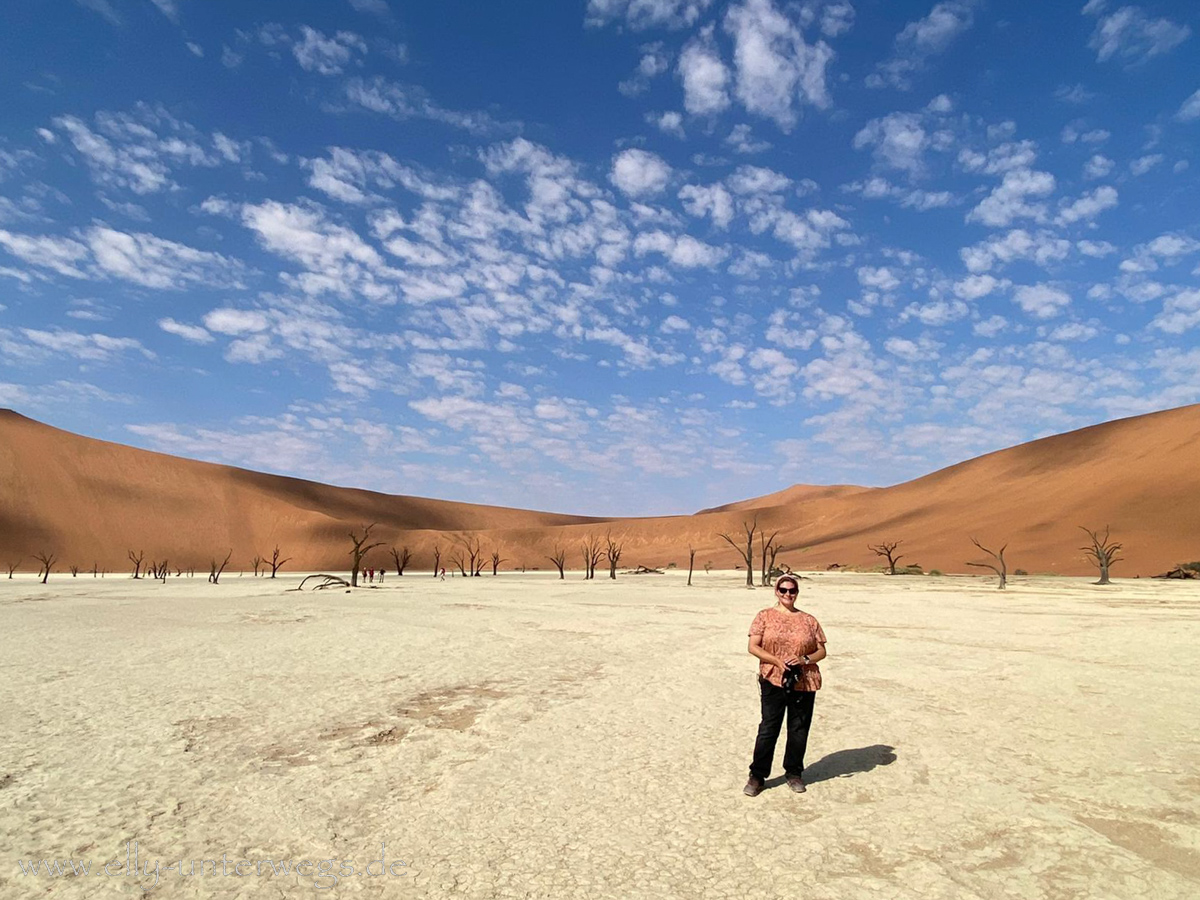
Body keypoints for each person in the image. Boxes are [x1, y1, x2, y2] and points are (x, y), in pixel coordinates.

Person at [744, 574, 827, 796]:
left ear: (797, 593)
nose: (788, 594)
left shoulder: (809, 620)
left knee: (798, 728)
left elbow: (822, 650)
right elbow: (753, 646)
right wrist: (776, 660)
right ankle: (757, 776)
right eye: (783, 590)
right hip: (773, 677)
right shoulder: (764, 616)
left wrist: (804, 660)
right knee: (769, 727)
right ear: (776, 591)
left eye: (792, 591)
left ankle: (793, 773)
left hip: (804, 680)